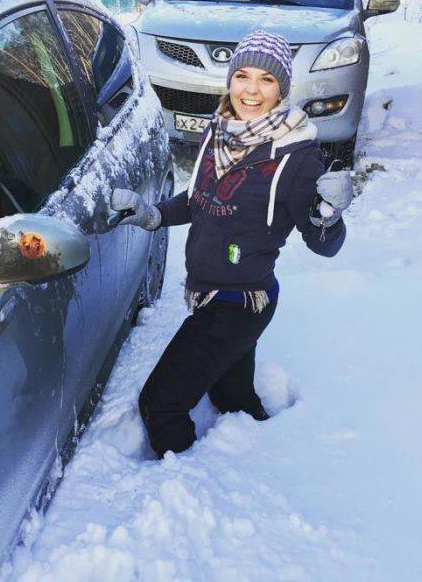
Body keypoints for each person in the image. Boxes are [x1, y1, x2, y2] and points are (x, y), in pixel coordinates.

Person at [111, 30, 353, 458]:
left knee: (160, 404)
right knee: (231, 395)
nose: (251, 90)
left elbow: (323, 244)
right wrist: (156, 215)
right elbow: (201, 198)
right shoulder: (219, 131)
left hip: (240, 304)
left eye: (266, 79)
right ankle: (256, 436)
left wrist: (329, 215)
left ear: (282, 88)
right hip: (211, 293)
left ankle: (190, 483)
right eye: (242, 76)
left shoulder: (298, 158)